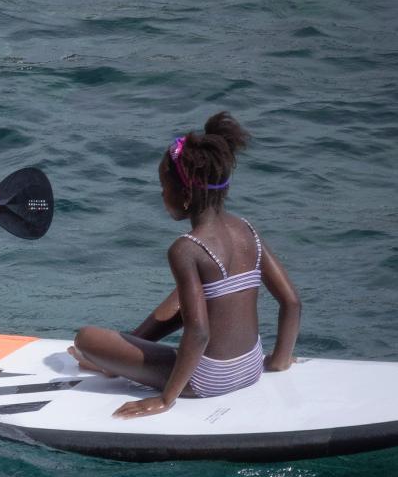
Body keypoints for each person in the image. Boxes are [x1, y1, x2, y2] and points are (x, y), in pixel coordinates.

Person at [69, 112, 301, 418]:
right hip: (252, 366)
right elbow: (292, 301)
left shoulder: (186, 248)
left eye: (165, 186)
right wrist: (278, 360)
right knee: (186, 293)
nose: (162, 195)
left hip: (207, 380)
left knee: (86, 339)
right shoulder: (248, 231)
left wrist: (166, 399)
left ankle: (111, 363)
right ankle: (126, 351)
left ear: (186, 194)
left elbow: (199, 333)